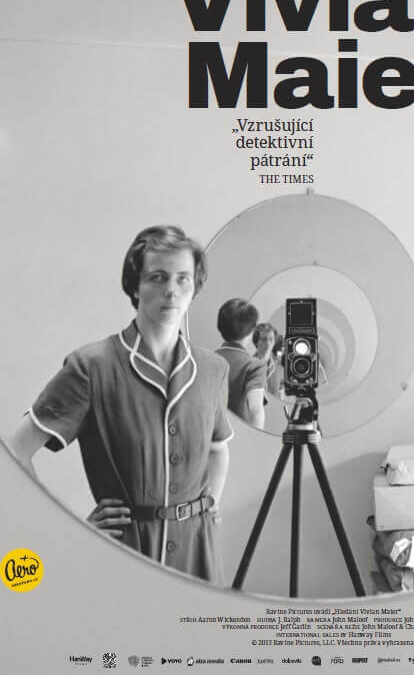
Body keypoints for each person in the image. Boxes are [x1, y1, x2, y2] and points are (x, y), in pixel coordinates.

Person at [8, 225, 233, 585]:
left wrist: (209, 505)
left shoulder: (213, 369)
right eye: (157, 277)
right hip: (125, 556)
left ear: (195, 286)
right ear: (135, 286)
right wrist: (69, 529)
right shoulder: (91, 367)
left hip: (199, 556)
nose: (171, 290)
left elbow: (218, 448)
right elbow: (14, 452)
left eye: (183, 279)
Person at [216, 299, 267, 429]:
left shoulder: (207, 360)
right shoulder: (254, 366)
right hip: (239, 435)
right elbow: (255, 412)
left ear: (220, 326)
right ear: (252, 330)